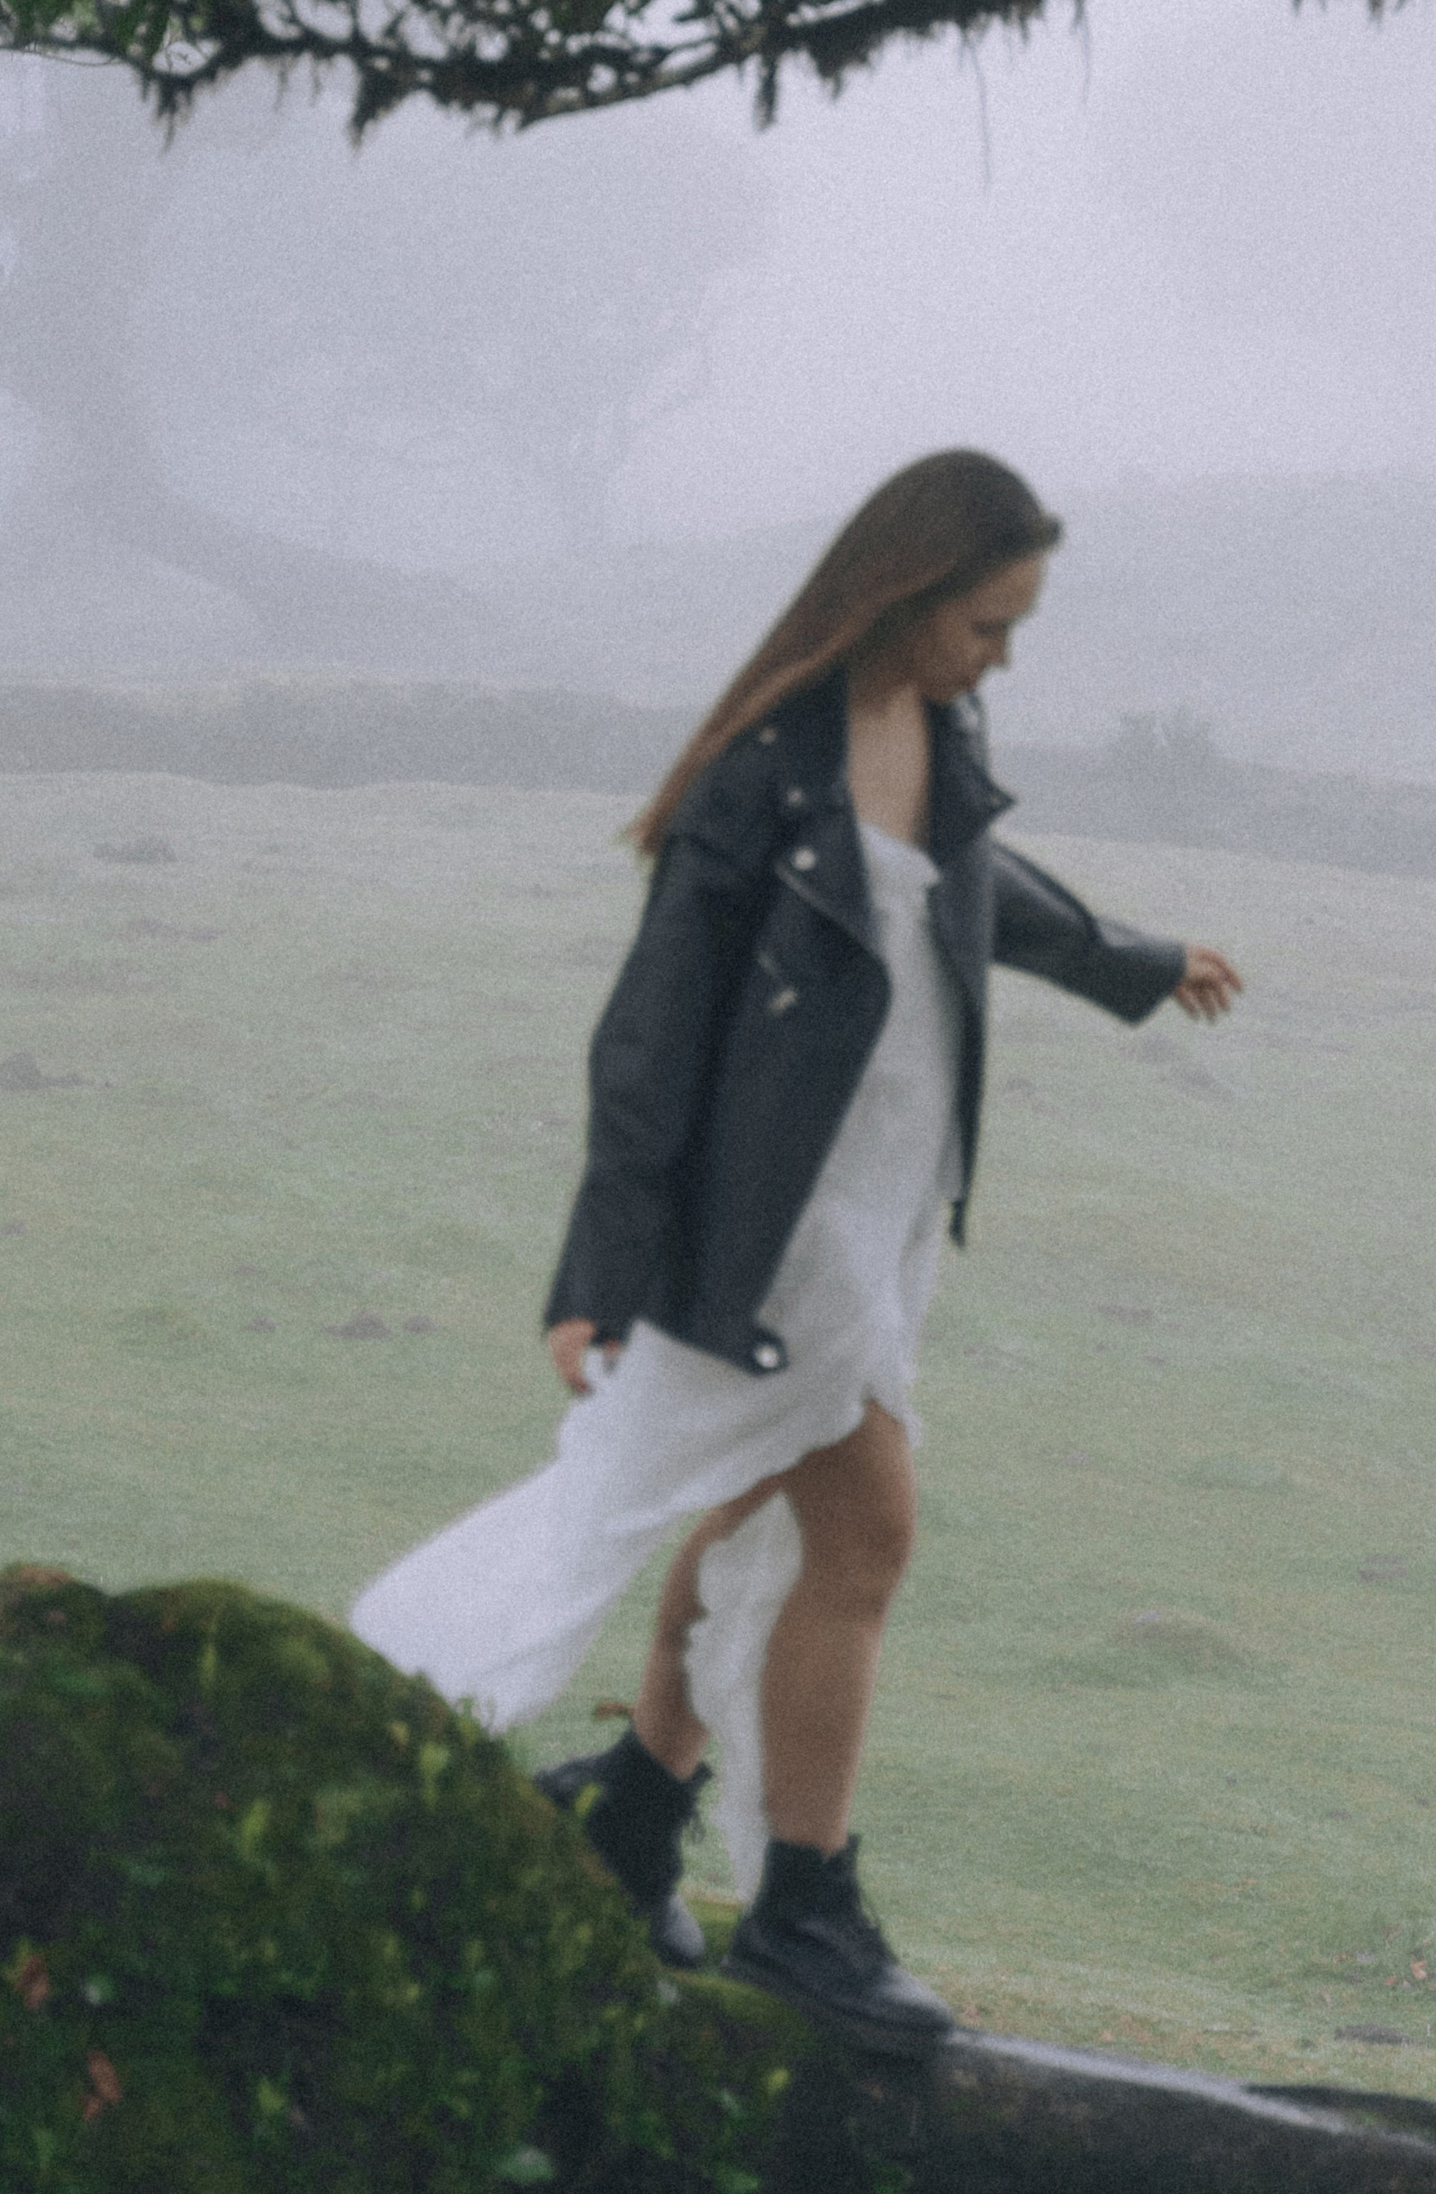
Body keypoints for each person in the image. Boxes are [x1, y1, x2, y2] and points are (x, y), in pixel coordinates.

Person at [349, 450, 1241, 2053]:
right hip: (779, 1228)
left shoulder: (941, 732)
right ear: (905, 594)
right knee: (865, 1530)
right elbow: (654, 1030)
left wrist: (1136, 958)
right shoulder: (762, 771)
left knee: (757, 1506)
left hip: (886, 1211)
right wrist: (599, 1274)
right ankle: (803, 1909)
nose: (1001, 658)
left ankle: (631, 1820)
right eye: (987, 623)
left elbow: (975, 889)